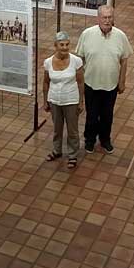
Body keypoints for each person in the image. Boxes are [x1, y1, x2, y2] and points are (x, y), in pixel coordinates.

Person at [75, 6, 132, 153]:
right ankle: (89, 140)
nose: (107, 21)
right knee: (92, 116)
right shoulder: (87, 34)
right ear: (98, 18)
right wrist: (78, 82)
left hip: (111, 85)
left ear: (113, 18)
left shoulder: (120, 36)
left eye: (110, 17)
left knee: (107, 116)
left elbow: (124, 60)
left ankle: (105, 140)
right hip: (91, 84)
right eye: (104, 17)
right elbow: (79, 59)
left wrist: (122, 81)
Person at [43, 31, 85, 169]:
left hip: (71, 100)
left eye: (67, 44)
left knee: (72, 130)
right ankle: (57, 151)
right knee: (57, 128)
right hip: (55, 100)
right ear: (55, 46)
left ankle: (72, 154)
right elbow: (46, 82)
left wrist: (80, 101)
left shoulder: (76, 61)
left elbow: (80, 82)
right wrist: (45, 101)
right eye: (62, 45)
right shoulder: (48, 62)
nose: (65, 47)